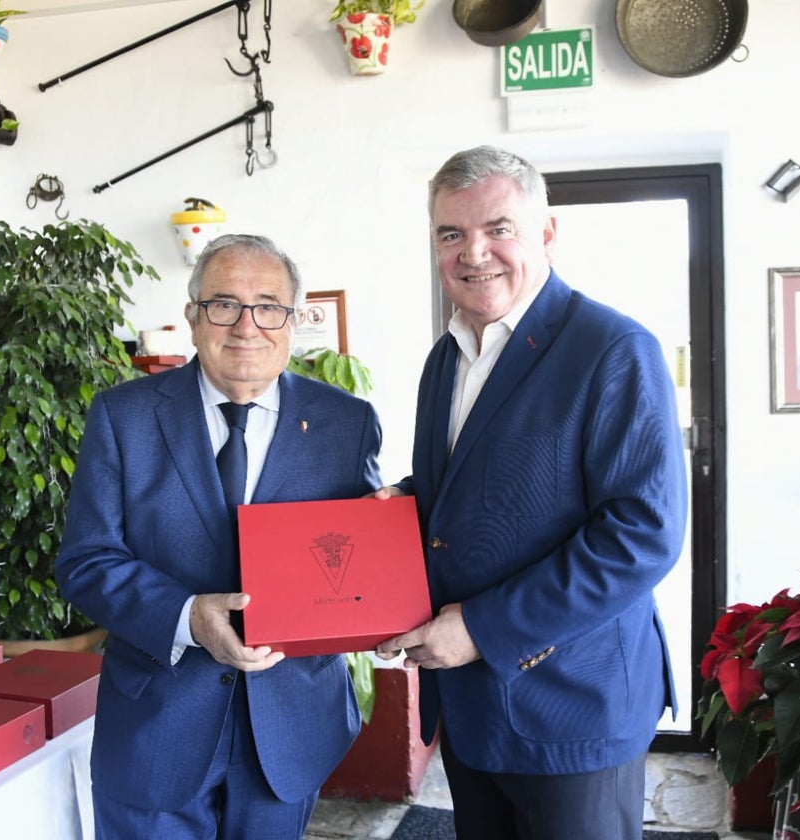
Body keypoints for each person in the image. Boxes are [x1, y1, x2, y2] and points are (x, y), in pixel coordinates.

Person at [374, 146, 688, 840]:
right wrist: (391, 508)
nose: (473, 252)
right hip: (471, 704)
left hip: (573, 702)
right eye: (450, 234)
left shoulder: (613, 349)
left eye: (498, 229)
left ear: (546, 232)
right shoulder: (445, 356)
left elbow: (641, 536)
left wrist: (481, 629)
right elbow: (456, 486)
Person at [56, 233, 382, 840]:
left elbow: (361, 551)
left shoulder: (348, 422)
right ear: (192, 316)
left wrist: (389, 610)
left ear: (292, 319)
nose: (246, 325)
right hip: (156, 723)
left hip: (290, 728)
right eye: (224, 304)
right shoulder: (122, 415)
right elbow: (86, 560)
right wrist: (187, 615)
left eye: (268, 306)